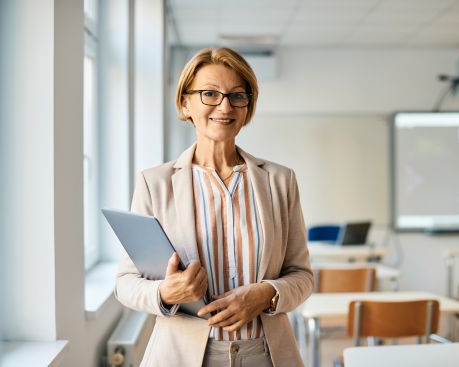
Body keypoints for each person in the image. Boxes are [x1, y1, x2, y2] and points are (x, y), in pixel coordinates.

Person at [115, 47, 313, 367]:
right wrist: (166, 292)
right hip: (182, 355)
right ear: (185, 103)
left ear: (247, 107)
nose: (225, 106)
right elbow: (125, 283)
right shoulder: (155, 183)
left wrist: (267, 293)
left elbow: (302, 275)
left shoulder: (280, 181)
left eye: (237, 95)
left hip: (266, 354)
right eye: (210, 93)